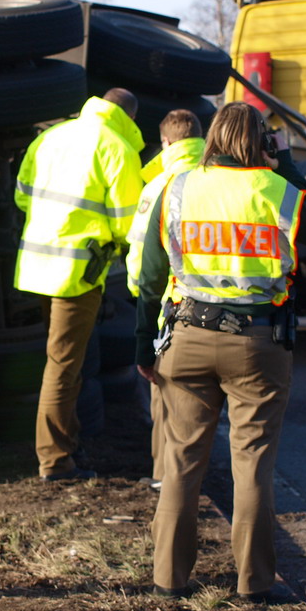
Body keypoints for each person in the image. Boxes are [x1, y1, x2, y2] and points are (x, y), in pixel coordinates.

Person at [135, 102, 306, 602]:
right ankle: (255, 585)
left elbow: (152, 275)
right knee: (253, 465)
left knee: (180, 461)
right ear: (261, 142)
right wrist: (283, 162)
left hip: (187, 339)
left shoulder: (177, 189)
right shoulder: (279, 191)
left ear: (213, 138)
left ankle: (168, 580)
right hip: (258, 345)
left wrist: (143, 345)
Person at [14, 88, 144, 481]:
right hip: (77, 274)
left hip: (37, 265)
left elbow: (22, 197)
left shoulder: (49, 137)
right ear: (130, 117)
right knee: (64, 367)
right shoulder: (117, 147)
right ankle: (54, 461)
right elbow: (128, 223)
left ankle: (67, 446)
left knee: (63, 364)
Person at [126, 109, 205, 491]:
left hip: (166, 309)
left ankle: (165, 480)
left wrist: (138, 300)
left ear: (166, 143)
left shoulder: (159, 185)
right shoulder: (219, 181)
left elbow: (142, 255)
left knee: (165, 401)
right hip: (214, 308)